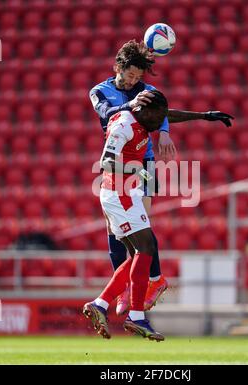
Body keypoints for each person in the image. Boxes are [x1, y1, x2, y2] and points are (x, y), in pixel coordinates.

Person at [89, 40, 234, 316]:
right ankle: (124, 289)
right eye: (129, 75)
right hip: (115, 161)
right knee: (115, 233)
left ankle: (153, 281)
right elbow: (106, 113)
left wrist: (201, 117)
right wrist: (130, 105)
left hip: (146, 163)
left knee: (142, 229)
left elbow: (161, 114)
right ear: (116, 68)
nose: (133, 81)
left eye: (138, 77)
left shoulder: (147, 91)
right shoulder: (99, 91)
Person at [83, 90, 169, 341]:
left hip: (126, 193)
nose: (160, 122)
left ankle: (100, 304)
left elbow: (166, 116)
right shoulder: (124, 125)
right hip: (119, 195)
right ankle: (136, 317)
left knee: (138, 254)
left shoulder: (142, 119)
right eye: (157, 117)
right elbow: (106, 162)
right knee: (147, 247)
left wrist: (203, 116)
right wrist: (139, 170)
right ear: (144, 112)